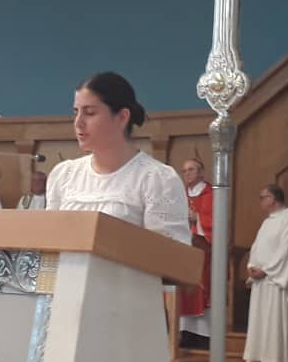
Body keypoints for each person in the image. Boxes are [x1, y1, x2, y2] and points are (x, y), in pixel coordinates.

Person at [46, 71, 189, 242]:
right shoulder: (64, 174)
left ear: (122, 117)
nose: (78, 122)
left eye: (89, 113)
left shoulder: (157, 179)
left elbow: (171, 253)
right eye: (76, 112)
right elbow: (49, 241)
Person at [243, 184, 288, 362]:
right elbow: (257, 247)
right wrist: (252, 266)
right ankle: (261, 358)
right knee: (261, 320)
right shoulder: (268, 222)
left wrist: (266, 270)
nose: (261, 201)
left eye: (263, 197)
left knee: (276, 321)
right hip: (262, 281)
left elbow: (287, 252)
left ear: (273, 199)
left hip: (276, 281)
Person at [177, 158, 215, 340]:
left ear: (201, 172)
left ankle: (202, 335)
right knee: (183, 287)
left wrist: (196, 219)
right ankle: (184, 331)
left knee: (200, 286)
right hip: (184, 249)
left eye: (191, 169)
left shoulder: (211, 194)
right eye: (184, 171)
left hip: (204, 250)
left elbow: (214, 222)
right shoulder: (181, 194)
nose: (187, 174)